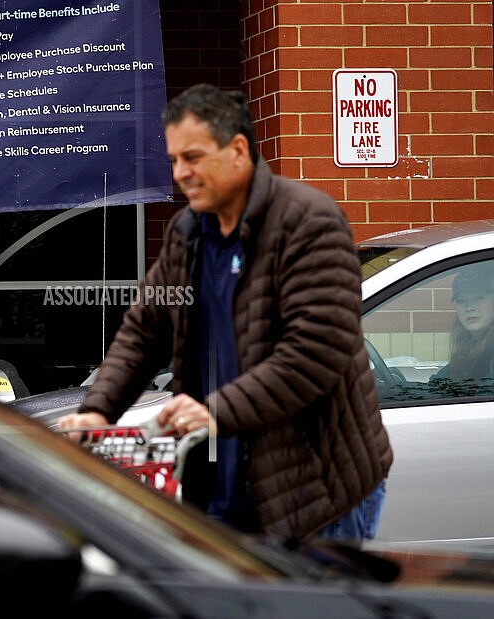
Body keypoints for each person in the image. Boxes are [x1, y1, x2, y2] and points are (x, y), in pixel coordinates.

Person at [58, 84, 393, 543]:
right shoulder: (188, 233)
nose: (180, 173)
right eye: (174, 160)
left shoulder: (307, 222)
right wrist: (99, 410)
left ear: (238, 150)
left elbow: (316, 351)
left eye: (192, 157)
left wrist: (215, 412)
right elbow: (143, 330)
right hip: (217, 491)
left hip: (314, 494)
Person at [435, 265, 494, 380]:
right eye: (462, 301)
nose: (469, 308)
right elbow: (442, 383)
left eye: (478, 298)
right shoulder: (470, 346)